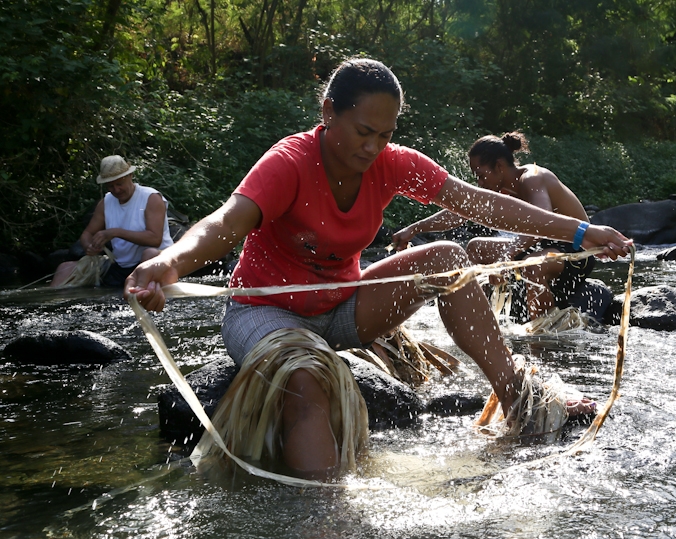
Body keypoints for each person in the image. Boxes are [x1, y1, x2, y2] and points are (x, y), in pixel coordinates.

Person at [125, 58, 633, 478]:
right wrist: (165, 265)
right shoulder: (288, 163)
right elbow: (224, 224)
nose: (373, 148)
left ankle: (521, 400)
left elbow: (478, 202)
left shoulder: (392, 162)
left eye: (384, 135)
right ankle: (328, 519)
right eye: (363, 131)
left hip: (344, 309)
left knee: (449, 259)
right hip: (266, 313)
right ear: (328, 111)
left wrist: (581, 233)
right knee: (306, 377)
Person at [392, 132, 595, 320]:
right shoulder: (501, 188)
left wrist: (505, 256)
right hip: (541, 247)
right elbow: (460, 211)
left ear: (499, 166)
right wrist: (414, 228)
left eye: (481, 175)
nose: (479, 182)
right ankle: (478, 318)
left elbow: (544, 223)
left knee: (533, 266)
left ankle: (543, 334)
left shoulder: (532, 178)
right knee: (475, 247)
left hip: (576, 251)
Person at [51, 155, 174, 287]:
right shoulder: (106, 202)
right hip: (120, 265)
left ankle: (142, 291)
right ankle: (50, 303)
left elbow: (155, 239)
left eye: (119, 184)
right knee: (65, 268)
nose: (116, 190)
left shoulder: (151, 197)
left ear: (130, 176)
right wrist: (89, 247)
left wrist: (115, 232)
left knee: (149, 253)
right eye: (111, 186)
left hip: (156, 259)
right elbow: (87, 233)